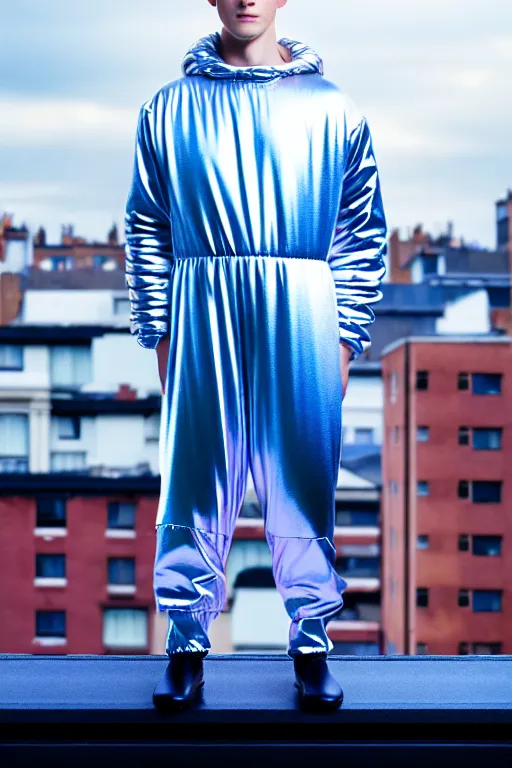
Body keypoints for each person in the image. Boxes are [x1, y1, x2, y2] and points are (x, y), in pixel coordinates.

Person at [124, 0, 387, 713]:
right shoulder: (170, 108)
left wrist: (343, 338)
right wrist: (160, 330)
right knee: (195, 476)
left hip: (303, 303)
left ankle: (310, 642)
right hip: (200, 300)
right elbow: (147, 224)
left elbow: (361, 232)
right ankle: (185, 643)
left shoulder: (335, 110)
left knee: (302, 476)